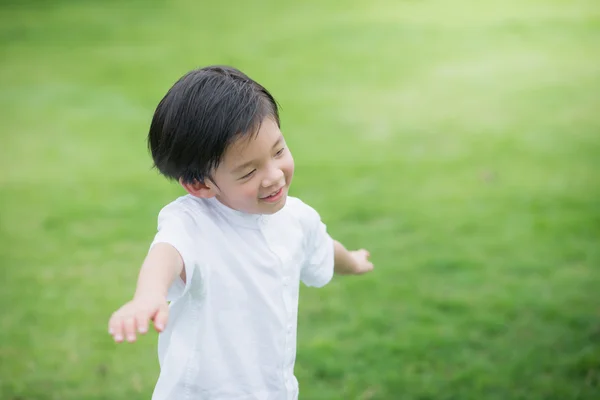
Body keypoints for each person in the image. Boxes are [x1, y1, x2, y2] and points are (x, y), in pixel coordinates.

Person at [108, 65, 374, 400]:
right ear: (199, 184)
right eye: (248, 172)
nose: (274, 175)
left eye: (278, 151)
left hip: (272, 389)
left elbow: (321, 247)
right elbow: (166, 253)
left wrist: (353, 261)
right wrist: (148, 296)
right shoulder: (193, 222)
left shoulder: (295, 217)